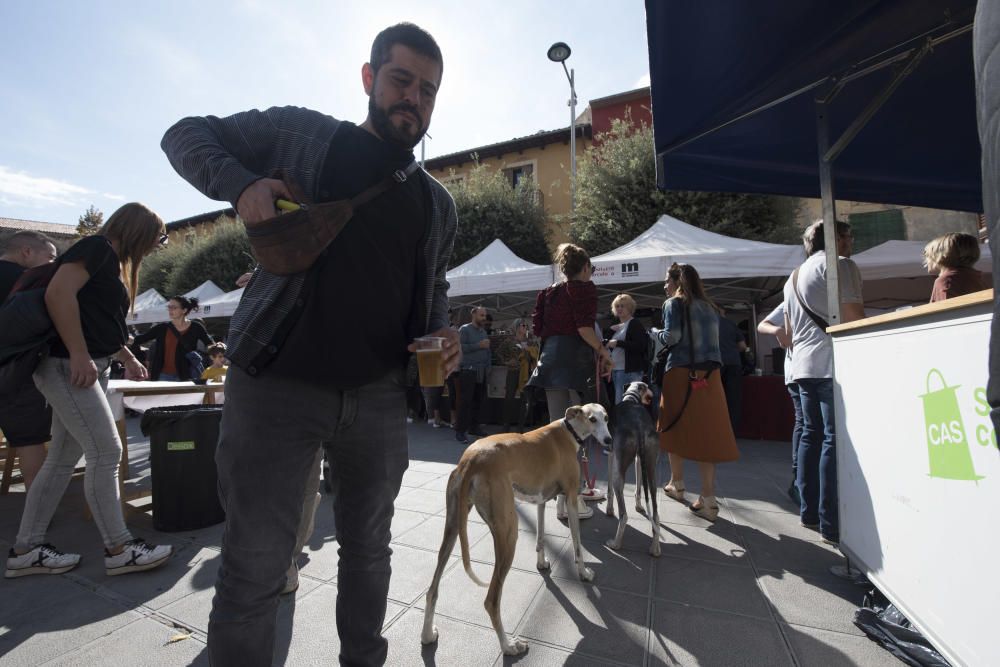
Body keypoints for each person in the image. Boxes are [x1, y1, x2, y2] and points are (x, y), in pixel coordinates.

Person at [161, 23, 458, 667]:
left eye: (428, 90)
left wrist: (444, 332)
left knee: (370, 555)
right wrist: (241, 186)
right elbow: (184, 133)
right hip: (276, 384)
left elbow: (431, 282)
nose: (413, 98)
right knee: (255, 565)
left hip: (378, 397)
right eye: (401, 80)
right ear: (369, 78)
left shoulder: (437, 204)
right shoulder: (304, 133)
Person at [6, 203, 173, 578]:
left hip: (80, 366)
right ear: (139, 230)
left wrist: (125, 355)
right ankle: (118, 547)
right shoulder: (96, 247)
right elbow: (58, 296)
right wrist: (80, 354)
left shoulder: (105, 258)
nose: (158, 245)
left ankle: (26, 549)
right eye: (159, 237)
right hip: (69, 365)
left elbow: (95, 318)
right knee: (106, 449)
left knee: (63, 459)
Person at [783, 220, 865, 546]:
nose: (851, 242)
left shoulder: (793, 276)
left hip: (802, 364)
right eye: (849, 236)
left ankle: (809, 512)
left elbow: (788, 328)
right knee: (832, 439)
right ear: (838, 239)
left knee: (811, 436)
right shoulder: (840, 265)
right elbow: (854, 317)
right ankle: (831, 523)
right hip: (831, 361)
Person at [526, 243, 612, 517]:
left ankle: (564, 499)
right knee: (580, 432)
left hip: (550, 361)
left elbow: (538, 329)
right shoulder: (584, 289)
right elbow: (584, 328)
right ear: (585, 267)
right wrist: (603, 351)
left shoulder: (547, 293)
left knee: (560, 434)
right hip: (575, 362)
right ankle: (572, 500)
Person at [655, 262, 739, 522]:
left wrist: (655, 333)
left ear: (676, 282)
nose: (664, 286)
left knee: (672, 426)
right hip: (710, 376)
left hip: (680, 373)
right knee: (707, 434)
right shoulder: (711, 308)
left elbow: (673, 336)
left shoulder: (673, 304)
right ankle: (708, 498)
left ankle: (676, 483)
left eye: (666, 282)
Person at [0, 231, 57, 491]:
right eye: (50, 257)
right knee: (30, 441)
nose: (52, 265)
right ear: (27, 251)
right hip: (19, 371)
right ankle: (38, 508)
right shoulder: (31, 282)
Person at [757, 303, 800, 506]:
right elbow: (763, 325)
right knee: (809, 428)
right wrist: (779, 331)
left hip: (805, 368)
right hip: (801, 368)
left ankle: (801, 482)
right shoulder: (793, 291)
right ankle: (800, 482)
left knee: (809, 428)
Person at [133, 295, 213, 380]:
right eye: (169, 307)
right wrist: (121, 338)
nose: (170, 310)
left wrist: (214, 351)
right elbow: (140, 339)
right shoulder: (162, 328)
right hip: (162, 375)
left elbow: (209, 343)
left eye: (174, 307)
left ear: (184, 310)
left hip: (186, 374)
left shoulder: (196, 327)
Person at [455, 306, 490, 444]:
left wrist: (488, 367)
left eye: (484, 315)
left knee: (478, 401)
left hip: (481, 371)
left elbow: (487, 351)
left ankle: (474, 428)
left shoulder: (483, 331)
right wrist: (478, 345)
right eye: (481, 315)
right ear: (474, 314)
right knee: (465, 402)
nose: (484, 318)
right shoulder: (464, 329)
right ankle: (460, 431)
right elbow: (460, 348)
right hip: (468, 370)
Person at [607, 293, 648, 405]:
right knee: (621, 404)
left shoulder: (634, 323)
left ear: (630, 308)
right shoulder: (617, 326)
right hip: (617, 370)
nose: (619, 308)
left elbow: (641, 346)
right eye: (617, 306)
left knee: (627, 405)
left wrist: (618, 343)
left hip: (630, 371)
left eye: (623, 306)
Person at [923, 232, 988, 302]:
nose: (926, 261)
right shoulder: (976, 277)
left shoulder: (946, 280)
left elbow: (945, 311)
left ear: (941, 257)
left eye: (928, 256)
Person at [717, 309, 748, 432]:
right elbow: (743, 346)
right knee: (733, 399)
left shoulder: (707, 323)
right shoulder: (731, 324)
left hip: (716, 364)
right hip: (734, 363)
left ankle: (717, 429)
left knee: (716, 397)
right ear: (722, 312)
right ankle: (732, 431)